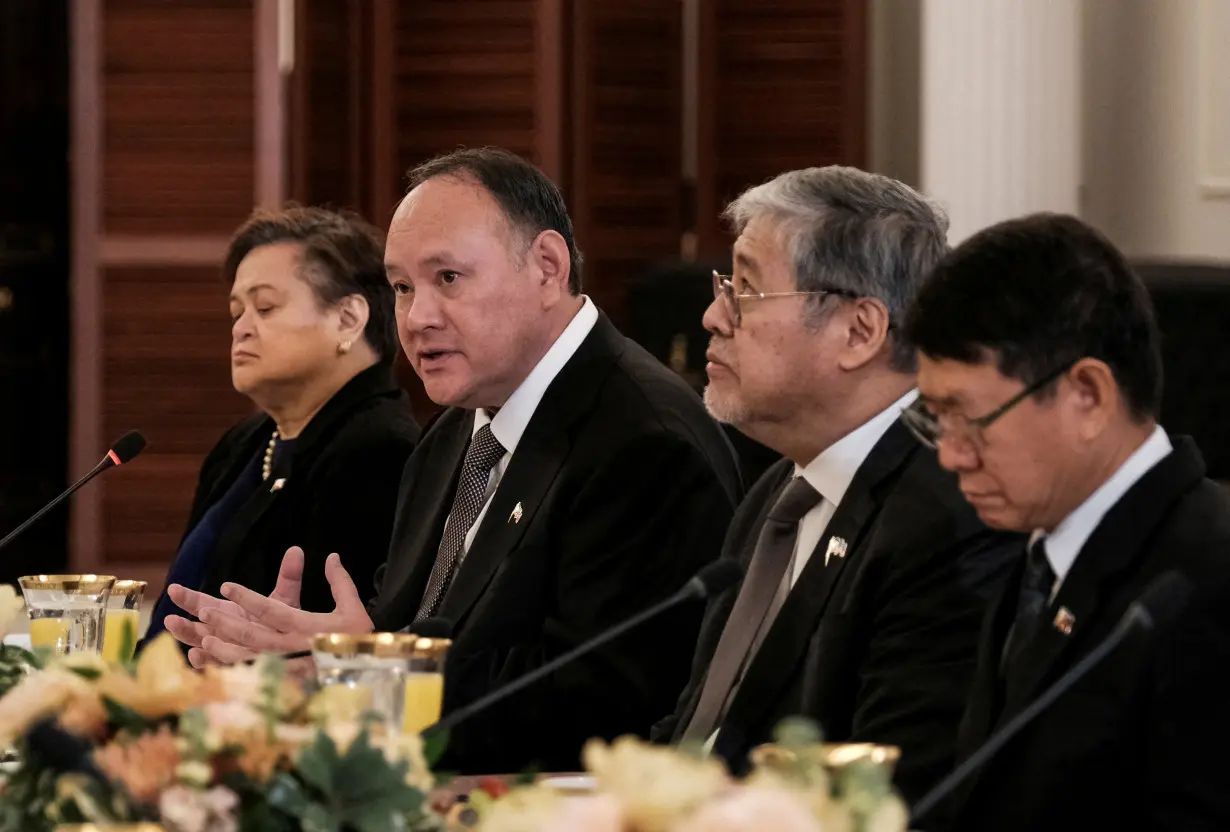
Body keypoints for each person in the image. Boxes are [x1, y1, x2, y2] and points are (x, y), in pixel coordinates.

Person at [163, 148, 744, 774]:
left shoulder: (643, 442)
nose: (416, 319)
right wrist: (316, 662)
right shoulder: (452, 436)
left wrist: (365, 673)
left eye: (448, 279)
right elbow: (401, 637)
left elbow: (593, 707)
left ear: (547, 267)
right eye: (403, 288)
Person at [651, 167, 1021, 804]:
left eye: (746, 287)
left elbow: (888, 795)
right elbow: (698, 732)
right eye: (723, 284)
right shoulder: (775, 496)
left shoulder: (947, 519)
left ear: (859, 331)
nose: (713, 315)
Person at [901, 213, 1230, 831]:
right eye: (936, 417)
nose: (950, 454)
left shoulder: (1205, 582)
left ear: (1087, 395)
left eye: (969, 418)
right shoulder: (1039, 550)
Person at [141, 206, 420, 647]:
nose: (241, 329)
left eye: (265, 307)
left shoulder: (381, 452)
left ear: (347, 319)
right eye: (237, 312)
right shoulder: (245, 444)